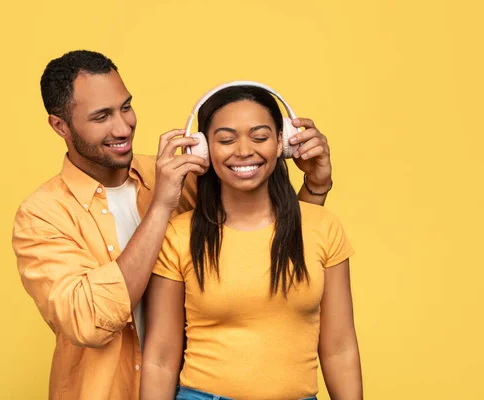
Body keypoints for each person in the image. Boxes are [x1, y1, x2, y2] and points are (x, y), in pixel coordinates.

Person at [12, 50, 335, 400]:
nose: (122, 127)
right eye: (101, 116)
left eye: (125, 107)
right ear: (60, 126)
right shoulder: (42, 215)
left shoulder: (183, 174)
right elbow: (87, 322)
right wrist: (162, 205)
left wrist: (315, 188)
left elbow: (266, 251)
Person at [141, 86, 362, 400]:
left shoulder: (323, 227)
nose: (244, 151)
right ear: (201, 149)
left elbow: (340, 348)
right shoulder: (178, 235)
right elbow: (160, 357)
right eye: (226, 139)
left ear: (282, 143)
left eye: (259, 137)